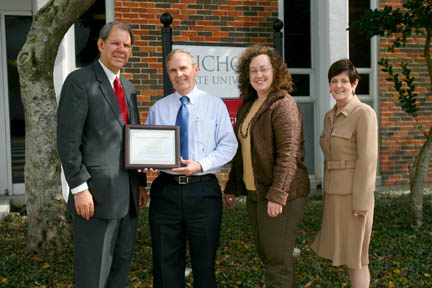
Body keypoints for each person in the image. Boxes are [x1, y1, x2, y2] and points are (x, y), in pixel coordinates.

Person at [57, 21, 147, 288]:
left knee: (119, 271)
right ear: (100, 45)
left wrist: (140, 184)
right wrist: (78, 188)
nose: (122, 49)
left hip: (128, 198)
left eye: (127, 45)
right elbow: (68, 141)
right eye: (116, 43)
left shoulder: (128, 87)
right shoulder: (80, 81)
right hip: (94, 198)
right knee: (93, 276)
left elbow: (134, 140)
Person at [145, 48, 238, 288]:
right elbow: (146, 147)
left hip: (203, 191)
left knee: (204, 264)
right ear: (168, 74)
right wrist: (146, 159)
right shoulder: (159, 109)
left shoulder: (214, 105)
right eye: (173, 70)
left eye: (183, 68)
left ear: (195, 70)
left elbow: (228, 145)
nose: (179, 74)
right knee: (165, 264)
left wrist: (200, 165)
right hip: (166, 192)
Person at [223, 44, 310, 287]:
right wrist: (232, 186)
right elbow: (242, 152)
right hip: (256, 193)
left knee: (277, 260)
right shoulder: (248, 107)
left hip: (282, 195)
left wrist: (278, 195)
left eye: (263, 69)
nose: (258, 75)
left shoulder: (283, 104)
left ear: (275, 71)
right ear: (246, 76)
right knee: (267, 254)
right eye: (253, 71)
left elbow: (289, 154)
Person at [311, 58, 378, 288]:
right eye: (333, 81)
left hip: (354, 198)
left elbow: (367, 161)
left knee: (357, 258)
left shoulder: (364, 113)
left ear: (354, 84)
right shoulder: (330, 115)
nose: (338, 86)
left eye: (343, 81)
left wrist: (362, 201)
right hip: (335, 194)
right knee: (349, 258)